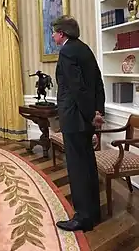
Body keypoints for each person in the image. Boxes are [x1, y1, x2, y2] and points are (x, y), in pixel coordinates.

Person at [53, 15, 104, 232]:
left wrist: (90, 113)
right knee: (88, 165)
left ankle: (82, 218)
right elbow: (97, 82)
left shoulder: (66, 51)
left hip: (75, 118)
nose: (53, 35)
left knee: (77, 168)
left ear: (62, 33)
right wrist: (97, 110)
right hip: (85, 117)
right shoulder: (84, 49)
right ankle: (93, 213)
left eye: (54, 32)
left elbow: (76, 88)